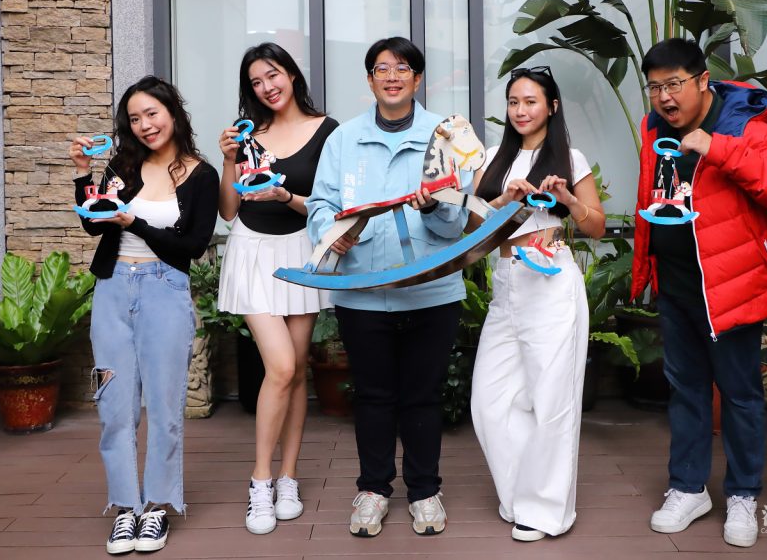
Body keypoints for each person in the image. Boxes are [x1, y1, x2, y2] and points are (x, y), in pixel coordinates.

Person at [631, 39, 767, 548]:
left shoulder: (745, 128)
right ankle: (689, 488)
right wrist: (647, 270)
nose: (664, 97)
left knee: (739, 394)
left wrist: (719, 149)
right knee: (686, 390)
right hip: (677, 285)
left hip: (730, 287)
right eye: (654, 87)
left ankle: (743, 493)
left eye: (674, 84)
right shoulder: (653, 129)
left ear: (703, 80)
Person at [306, 37, 468, 538]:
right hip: (362, 290)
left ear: (417, 79)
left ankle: (424, 491)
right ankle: (373, 489)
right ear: (370, 79)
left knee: (423, 395)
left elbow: (456, 223)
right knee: (373, 395)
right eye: (382, 68)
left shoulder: (444, 137)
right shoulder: (343, 139)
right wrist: (333, 233)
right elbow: (319, 205)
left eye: (402, 68)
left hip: (431, 289)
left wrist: (434, 206)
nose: (392, 77)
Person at [69, 76, 219, 555]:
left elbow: (191, 247)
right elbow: (94, 224)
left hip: (164, 290)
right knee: (114, 405)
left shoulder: (201, 176)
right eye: (134, 118)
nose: (144, 125)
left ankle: (156, 506)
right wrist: (82, 174)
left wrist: (135, 222)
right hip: (112, 289)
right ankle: (124, 507)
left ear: (172, 112)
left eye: (151, 113)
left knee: (165, 407)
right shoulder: (122, 165)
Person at [469, 65, 605, 542]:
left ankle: (545, 511)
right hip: (507, 282)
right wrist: (503, 202)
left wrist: (567, 198)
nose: (521, 110)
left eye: (530, 101)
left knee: (551, 399)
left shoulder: (569, 157)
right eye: (514, 102)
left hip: (551, 281)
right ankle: (519, 495)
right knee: (489, 401)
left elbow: (596, 226)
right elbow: (472, 230)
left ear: (552, 106)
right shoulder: (493, 158)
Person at [216, 43, 338, 534]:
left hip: (302, 252)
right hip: (253, 252)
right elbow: (229, 210)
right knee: (282, 366)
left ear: (291, 74)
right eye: (256, 82)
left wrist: (286, 194)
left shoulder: (327, 130)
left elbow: (329, 207)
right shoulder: (247, 133)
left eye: (273, 75)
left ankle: (289, 477)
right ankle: (260, 481)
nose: (267, 87)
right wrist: (228, 161)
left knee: (297, 370)